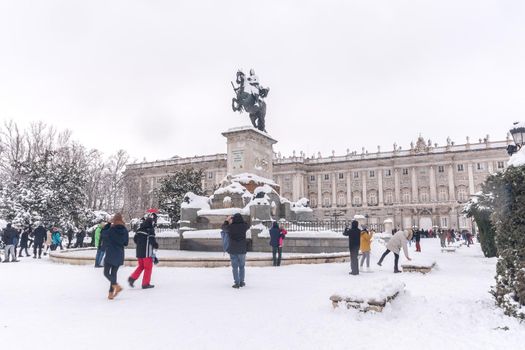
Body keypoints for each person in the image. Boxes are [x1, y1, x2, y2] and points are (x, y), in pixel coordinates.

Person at [101, 213, 129, 300]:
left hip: (110, 253)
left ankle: (116, 286)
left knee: (106, 273)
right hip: (119, 254)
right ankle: (111, 293)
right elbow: (126, 243)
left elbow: (103, 235)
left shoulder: (111, 229)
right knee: (114, 274)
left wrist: (108, 225)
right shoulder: (125, 230)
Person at [128, 217, 158, 289]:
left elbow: (135, 239)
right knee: (148, 267)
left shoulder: (139, 230)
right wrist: (156, 245)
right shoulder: (150, 230)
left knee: (141, 266)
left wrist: (140, 244)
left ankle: (132, 278)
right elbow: (152, 240)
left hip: (139, 251)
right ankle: (145, 284)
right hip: (146, 252)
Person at [226, 213, 249, 289]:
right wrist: (241, 220)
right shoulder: (244, 226)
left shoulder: (230, 227)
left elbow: (223, 228)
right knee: (242, 266)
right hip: (242, 250)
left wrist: (227, 220)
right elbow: (247, 224)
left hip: (233, 250)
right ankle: (242, 281)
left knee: (235, 267)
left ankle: (237, 283)